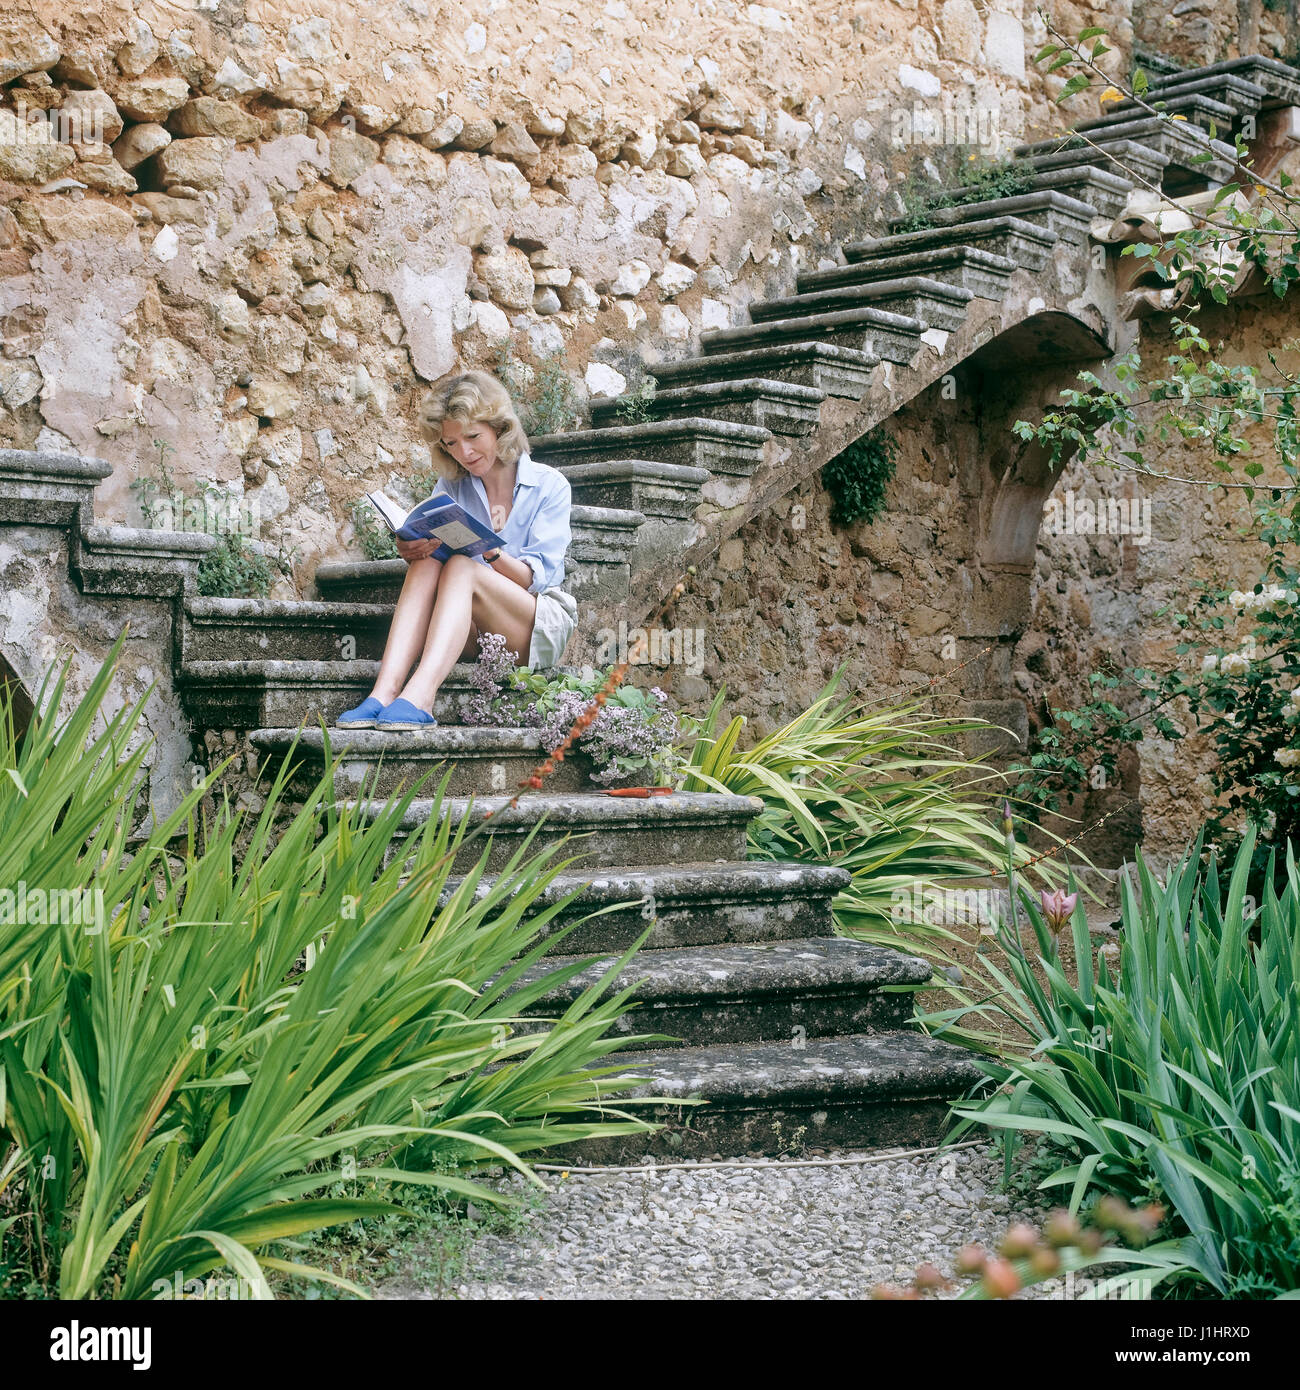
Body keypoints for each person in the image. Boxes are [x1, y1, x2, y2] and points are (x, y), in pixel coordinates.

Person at [337, 370, 578, 729]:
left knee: (464, 566)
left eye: (472, 436)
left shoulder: (549, 485)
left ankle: (421, 696)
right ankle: (382, 694)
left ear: (499, 427)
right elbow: (433, 543)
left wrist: (489, 551)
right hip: (468, 627)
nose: (463, 452)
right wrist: (411, 545)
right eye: (450, 443)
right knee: (428, 562)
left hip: (533, 624)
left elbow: (534, 579)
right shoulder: (453, 485)